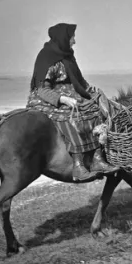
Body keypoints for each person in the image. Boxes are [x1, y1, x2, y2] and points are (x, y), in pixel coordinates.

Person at [28, 23, 119, 181]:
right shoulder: (46, 57)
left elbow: (80, 80)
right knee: (74, 116)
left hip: (73, 94)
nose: (74, 41)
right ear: (63, 38)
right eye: (72, 37)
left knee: (95, 110)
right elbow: (42, 88)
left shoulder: (68, 56)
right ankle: (78, 165)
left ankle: (97, 160)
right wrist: (62, 99)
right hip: (49, 97)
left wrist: (92, 91)